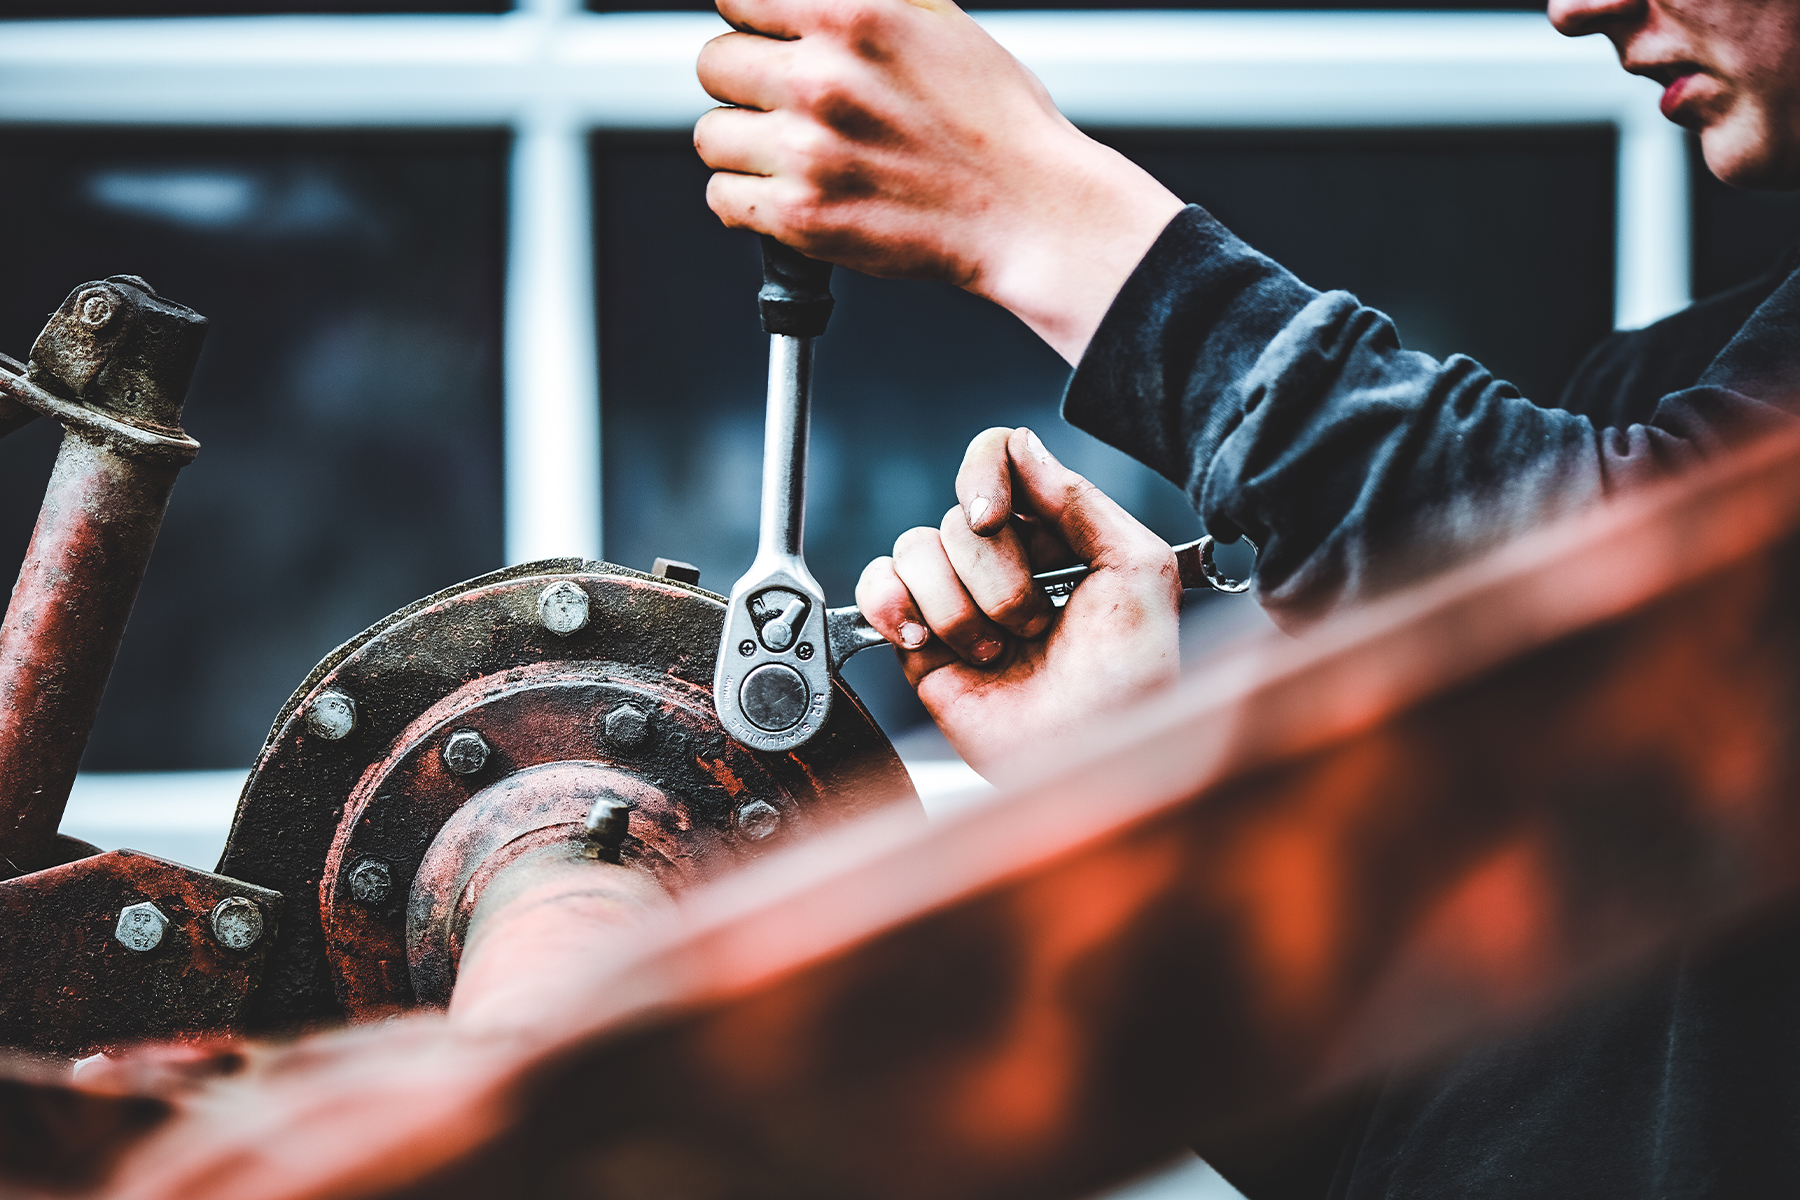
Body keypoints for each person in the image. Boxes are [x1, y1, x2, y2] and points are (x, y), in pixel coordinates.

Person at [694, 0, 1800, 1196]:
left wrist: (1046, 209)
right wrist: (1114, 784)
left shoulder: (1671, 474)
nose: (1579, 5)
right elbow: (1411, 1131)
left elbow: (1652, 594)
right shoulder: (1653, 385)